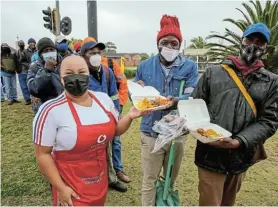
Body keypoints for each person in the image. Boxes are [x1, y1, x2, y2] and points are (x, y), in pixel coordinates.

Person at [33, 55, 148, 206]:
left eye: (81, 71)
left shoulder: (103, 100)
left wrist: (130, 116)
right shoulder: (50, 110)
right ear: (61, 78)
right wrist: (60, 187)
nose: (76, 77)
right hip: (70, 184)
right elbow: (42, 154)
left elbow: (115, 131)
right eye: (69, 73)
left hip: (99, 179)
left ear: (88, 75)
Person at [192, 23, 278, 206]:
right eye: (249, 39)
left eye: (260, 42)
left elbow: (269, 120)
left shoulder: (271, 82)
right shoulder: (213, 72)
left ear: (265, 48)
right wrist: (200, 131)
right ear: (242, 40)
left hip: (241, 155)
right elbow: (194, 107)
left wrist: (240, 141)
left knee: (228, 202)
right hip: (210, 153)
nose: (253, 45)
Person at [133, 14, 198, 206]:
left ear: (180, 45)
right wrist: (137, 91)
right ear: (158, 44)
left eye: (174, 43)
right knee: (149, 180)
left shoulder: (190, 67)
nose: (169, 47)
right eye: (165, 42)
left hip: (176, 133)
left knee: (170, 177)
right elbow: (135, 94)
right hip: (151, 132)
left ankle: (165, 202)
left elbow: (193, 94)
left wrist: (177, 100)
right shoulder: (145, 66)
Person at [81, 37, 127, 192]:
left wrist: (116, 114)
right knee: (93, 150)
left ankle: (115, 174)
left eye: (98, 52)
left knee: (115, 143)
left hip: (108, 118)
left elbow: (113, 94)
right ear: (84, 56)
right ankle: (97, 179)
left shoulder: (107, 72)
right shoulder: (81, 74)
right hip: (89, 121)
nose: (96, 56)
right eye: (91, 53)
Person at [102, 56, 130, 182]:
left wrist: (121, 103)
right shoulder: (82, 66)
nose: (94, 55)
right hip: (95, 112)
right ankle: (103, 174)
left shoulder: (110, 64)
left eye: (96, 51)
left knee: (116, 140)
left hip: (114, 108)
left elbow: (122, 83)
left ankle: (118, 169)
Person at [27, 37, 63, 114]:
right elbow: (33, 88)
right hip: (46, 107)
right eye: (46, 51)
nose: (49, 52)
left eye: (51, 49)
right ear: (40, 54)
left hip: (64, 105)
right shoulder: (34, 67)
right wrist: (46, 71)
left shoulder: (64, 63)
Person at [17, 40, 32, 105]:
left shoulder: (26, 51)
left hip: (28, 70)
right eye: (20, 44)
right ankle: (27, 99)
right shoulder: (16, 53)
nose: (21, 44)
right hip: (21, 71)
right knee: (23, 86)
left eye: (22, 43)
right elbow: (19, 61)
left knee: (29, 85)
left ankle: (31, 98)